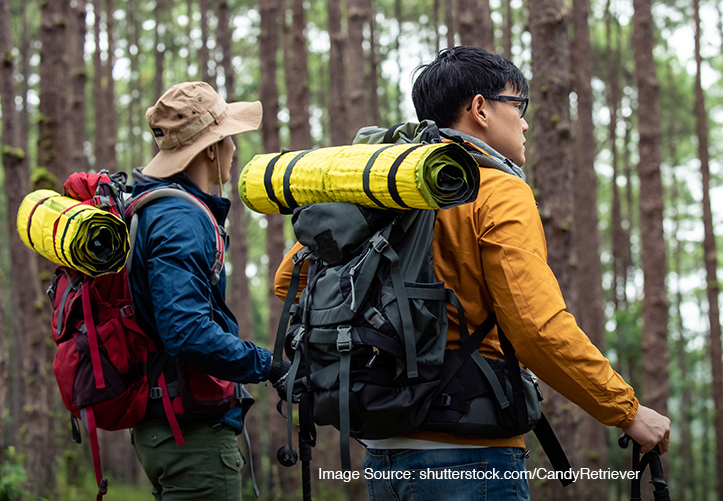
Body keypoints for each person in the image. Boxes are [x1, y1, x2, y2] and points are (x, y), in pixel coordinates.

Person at [275, 46, 670, 500]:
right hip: (471, 455)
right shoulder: (497, 190)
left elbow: (290, 281)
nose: (525, 123)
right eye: (518, 106)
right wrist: (627, 411)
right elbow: (537, 329)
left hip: (383, 455)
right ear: (480, 108)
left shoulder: (382, 188)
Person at [128, 81, 289, 501]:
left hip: (163, 426)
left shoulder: (149, 205)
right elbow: (185, 331)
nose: (235, 149)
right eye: (230, 138)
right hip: (191, 437)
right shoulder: (181, 218)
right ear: (212, 148)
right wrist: (269, 366)